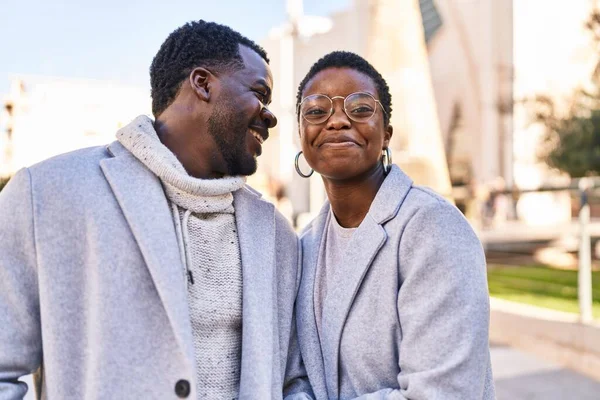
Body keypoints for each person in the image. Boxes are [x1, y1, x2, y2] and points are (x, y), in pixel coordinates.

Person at [0, 20, 306, 400]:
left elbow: (295, 380)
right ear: (203, 83)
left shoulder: (277, 236)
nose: (270, 115)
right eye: (260, 93)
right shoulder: (47, 195)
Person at [292, 51, 495, 399]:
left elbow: (444, 393)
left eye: (359, 108)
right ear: (301, 134)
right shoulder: (303, 245)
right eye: (316, 110)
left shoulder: (433, 228)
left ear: (385, 134)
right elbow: (294, 378)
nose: (337, 120)